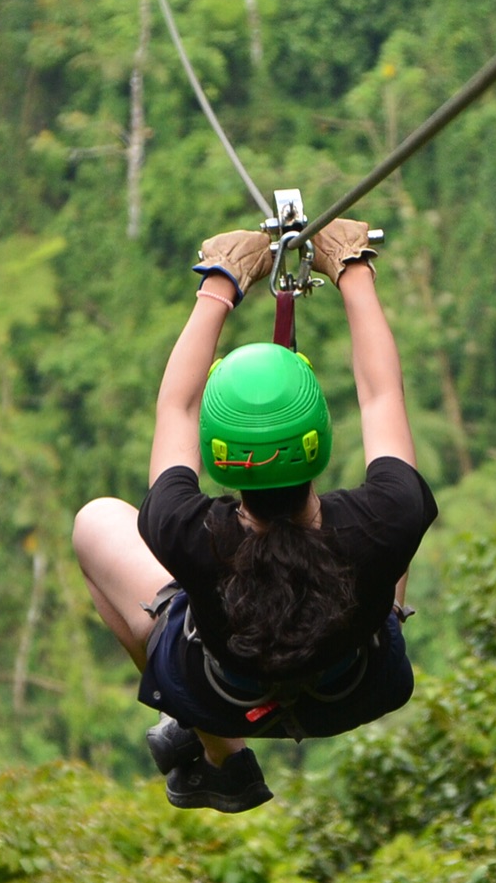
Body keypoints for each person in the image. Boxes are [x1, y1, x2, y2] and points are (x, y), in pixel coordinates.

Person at [72, 218, 438, 812]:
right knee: (401, 505)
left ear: (220, 455)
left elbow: (178, 406)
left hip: (218, 694)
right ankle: (379, 612)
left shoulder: (189, 531)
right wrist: (353, 270)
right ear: (319, 434)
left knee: (94, 522)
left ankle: (222, 755)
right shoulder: (377, 522)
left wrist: (219, 284)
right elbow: (381, 397)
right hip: (359, 686)